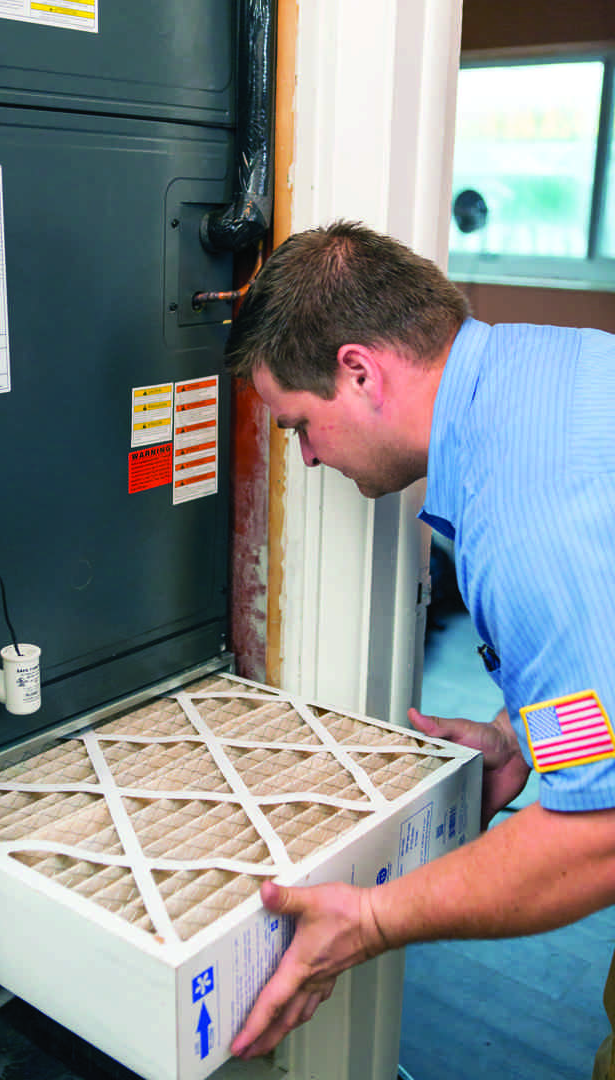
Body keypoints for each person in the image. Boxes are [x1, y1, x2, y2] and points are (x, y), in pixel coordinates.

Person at [223, 220, 615, 1074]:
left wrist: (367, 923)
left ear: (359, 371)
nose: (309, 457)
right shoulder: (558, 364)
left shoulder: (525, 523)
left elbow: (605, 832)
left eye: (298, 425)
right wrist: (520, 735)